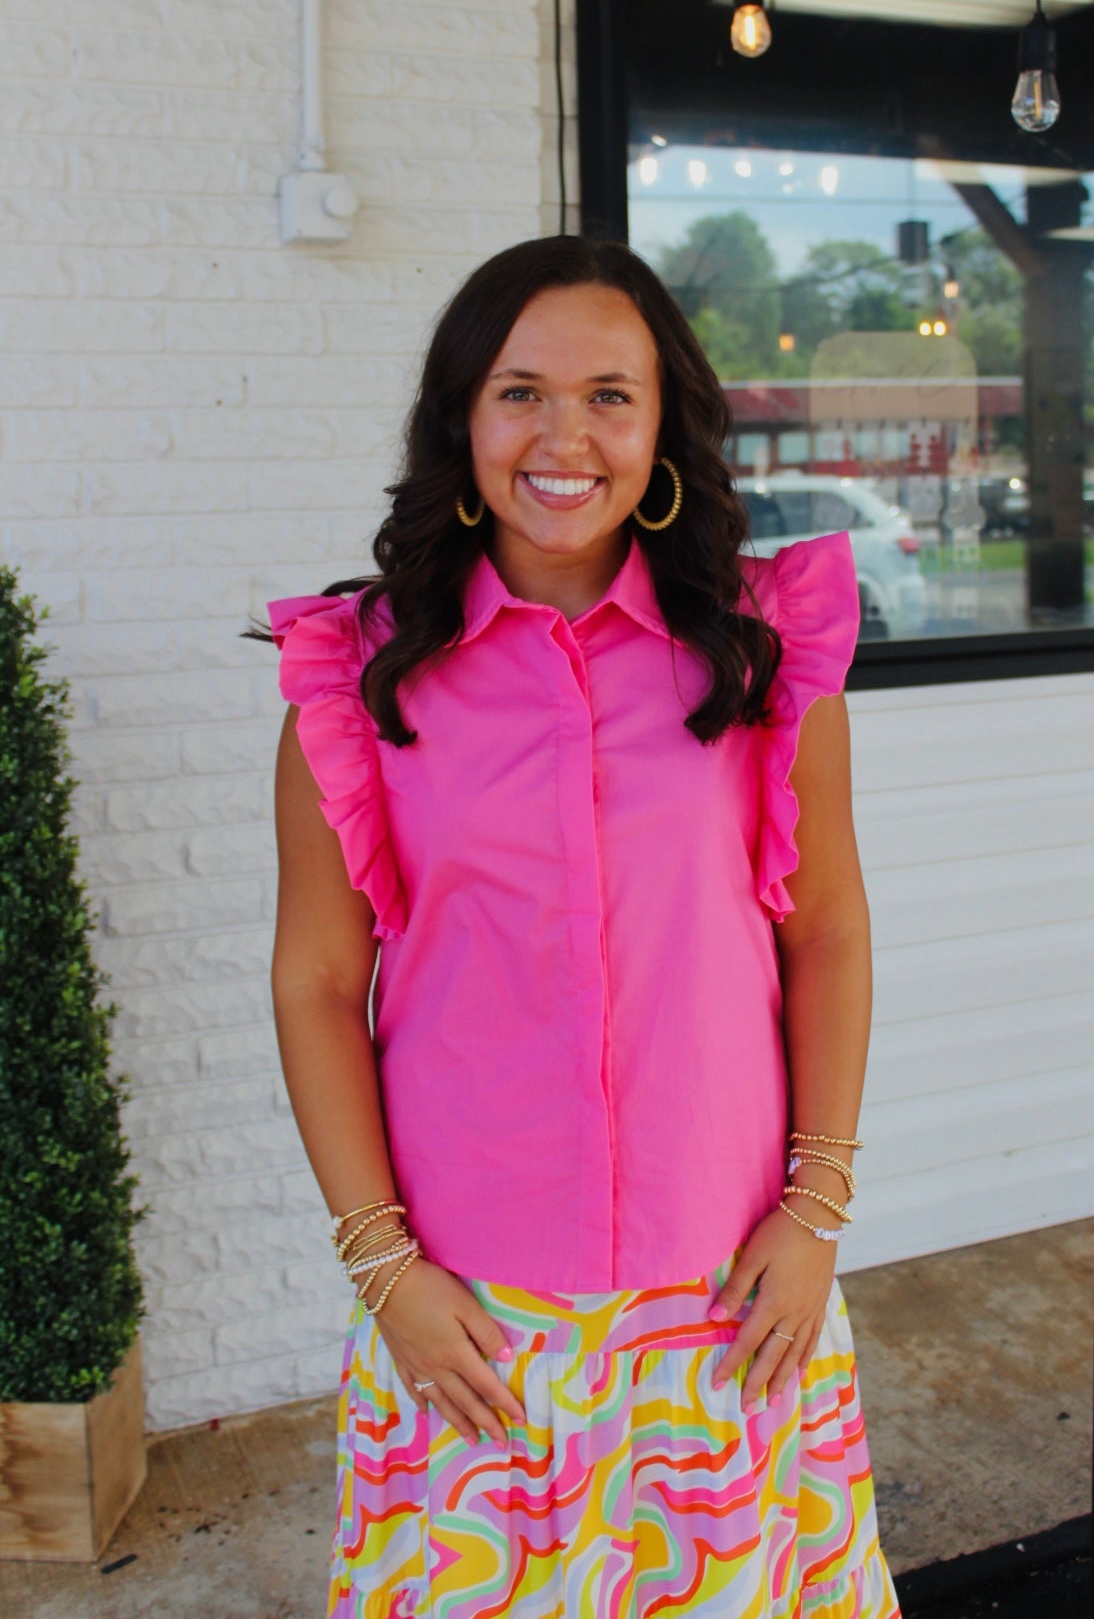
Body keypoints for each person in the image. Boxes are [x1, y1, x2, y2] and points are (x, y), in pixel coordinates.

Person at [266, 234, 900, 1618]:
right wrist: (386, 1272)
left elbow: (830, 933)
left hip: (730, 1296)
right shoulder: (360, 677)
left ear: (665, 422)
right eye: (521, 392)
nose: (566, 435)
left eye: (611, 394)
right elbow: (318, 982)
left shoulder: (757, 652)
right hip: (470, 1316)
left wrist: (818, 1209)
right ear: (462, 420)